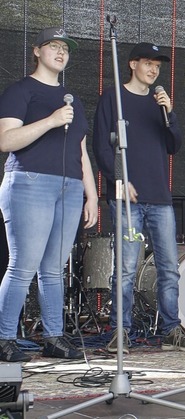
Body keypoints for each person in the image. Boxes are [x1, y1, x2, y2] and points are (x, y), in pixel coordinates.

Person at [93, 42, 185, 353]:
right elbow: (102, 146)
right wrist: (119, 179)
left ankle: (172, 330)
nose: (154, 69)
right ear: (132, 64)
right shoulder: (113, 97)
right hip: (127, 197)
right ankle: (120, 332)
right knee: (127, 267)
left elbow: (174, 145)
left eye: (158, 64)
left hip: (160, 198)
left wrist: (169, 113)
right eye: (147, 62)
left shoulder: (159, 103)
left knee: (169, 267)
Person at [0, 27, 98, 362]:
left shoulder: (74, 100)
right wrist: (51, 121)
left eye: (65, 49)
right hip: (29, 182)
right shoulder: (21, 91)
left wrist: (92, 195)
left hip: (69, 187)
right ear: (37, 51)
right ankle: (3, 337)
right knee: (22, 266)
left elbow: (82, 150)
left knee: (54, 268)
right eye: (53, 46)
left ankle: (54, 337)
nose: (60, 52)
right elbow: (6, 141)